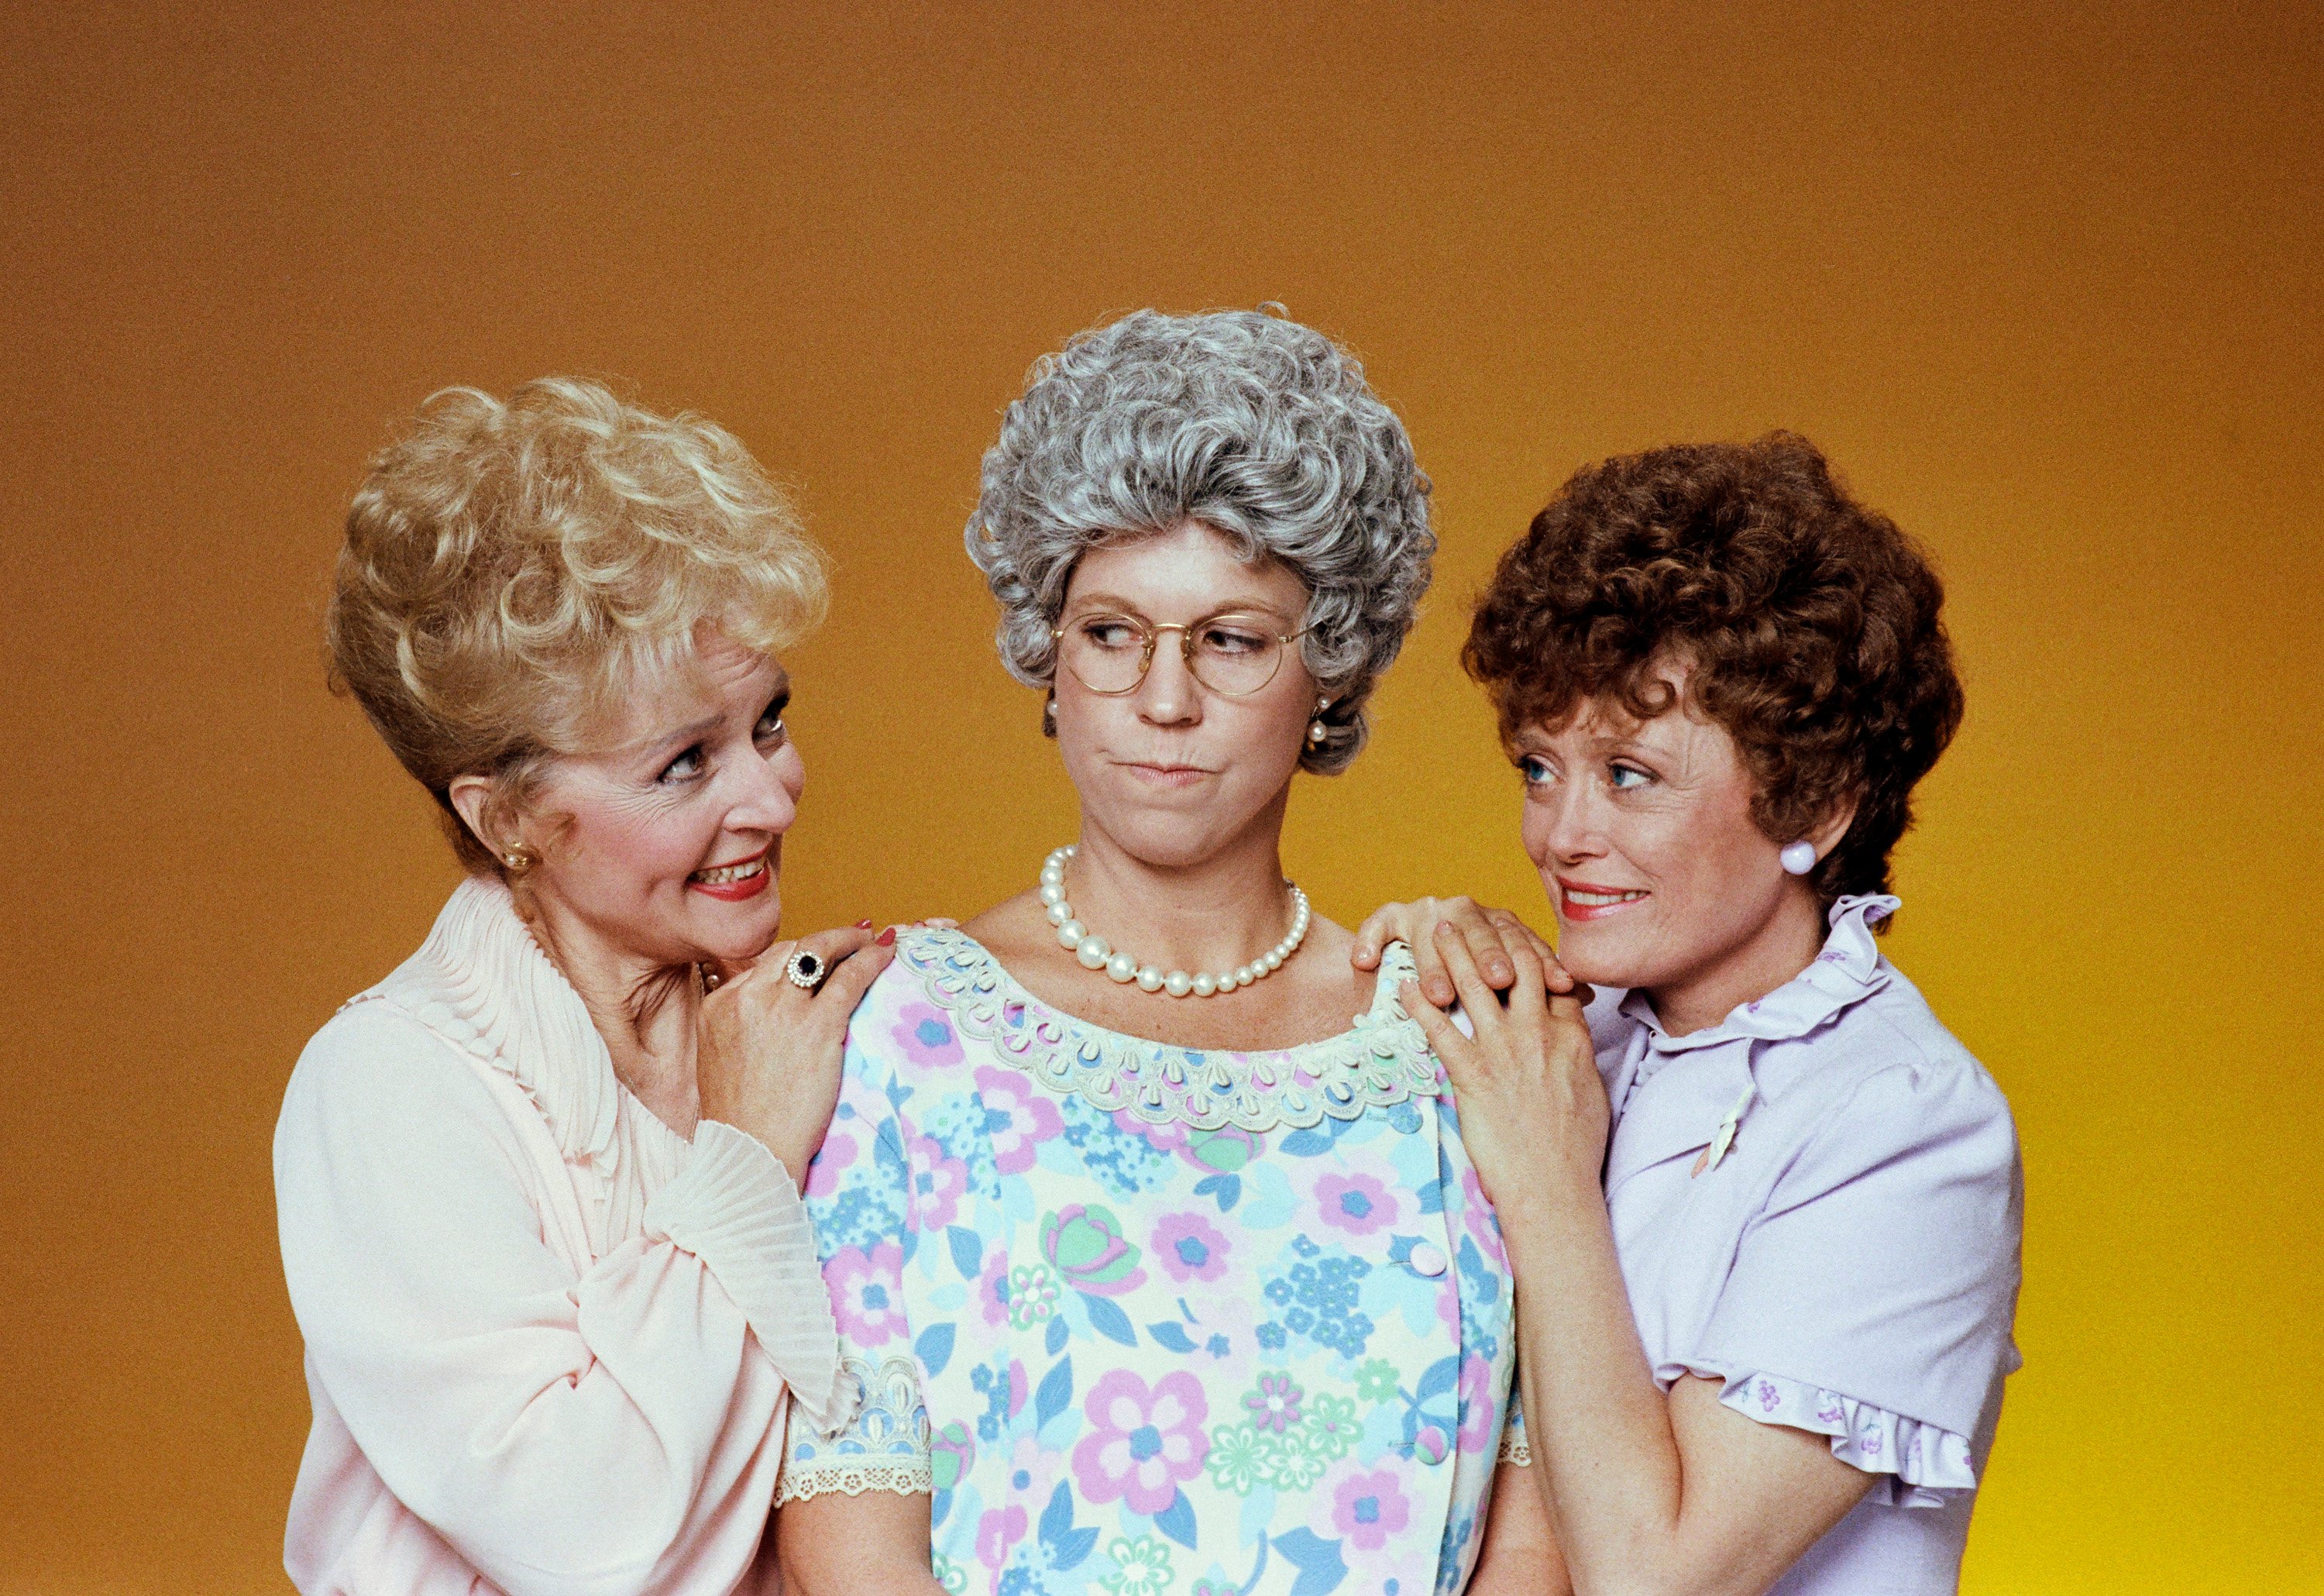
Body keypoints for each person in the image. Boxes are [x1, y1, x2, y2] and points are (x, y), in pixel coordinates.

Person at [772, 310, 1542, 1595]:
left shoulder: (1456, 1044)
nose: (1164, 700)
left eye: (1232, 640)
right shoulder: (897, 1030)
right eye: (1112, 632)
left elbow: (1534, 1531)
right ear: (1049, 657)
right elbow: (853, 1546)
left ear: (1331, 675)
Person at [275, 378, 892, 1594]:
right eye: (682, 765)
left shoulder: (811, 1026)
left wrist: (1384, 977)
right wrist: (750, 1159)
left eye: (768, 721)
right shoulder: (390, 1086)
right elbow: (583, 1539)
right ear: (505, 814)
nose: (770, 798)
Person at [1377, 434, 2022, 1594]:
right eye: (1538, 766)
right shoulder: (1568, 1034)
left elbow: (1654, 1576)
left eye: (1629, 774)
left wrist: (1545, 1173)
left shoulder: (1909, 1125)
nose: (1560, 835)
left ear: (1817, 803)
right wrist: (1416, 990)